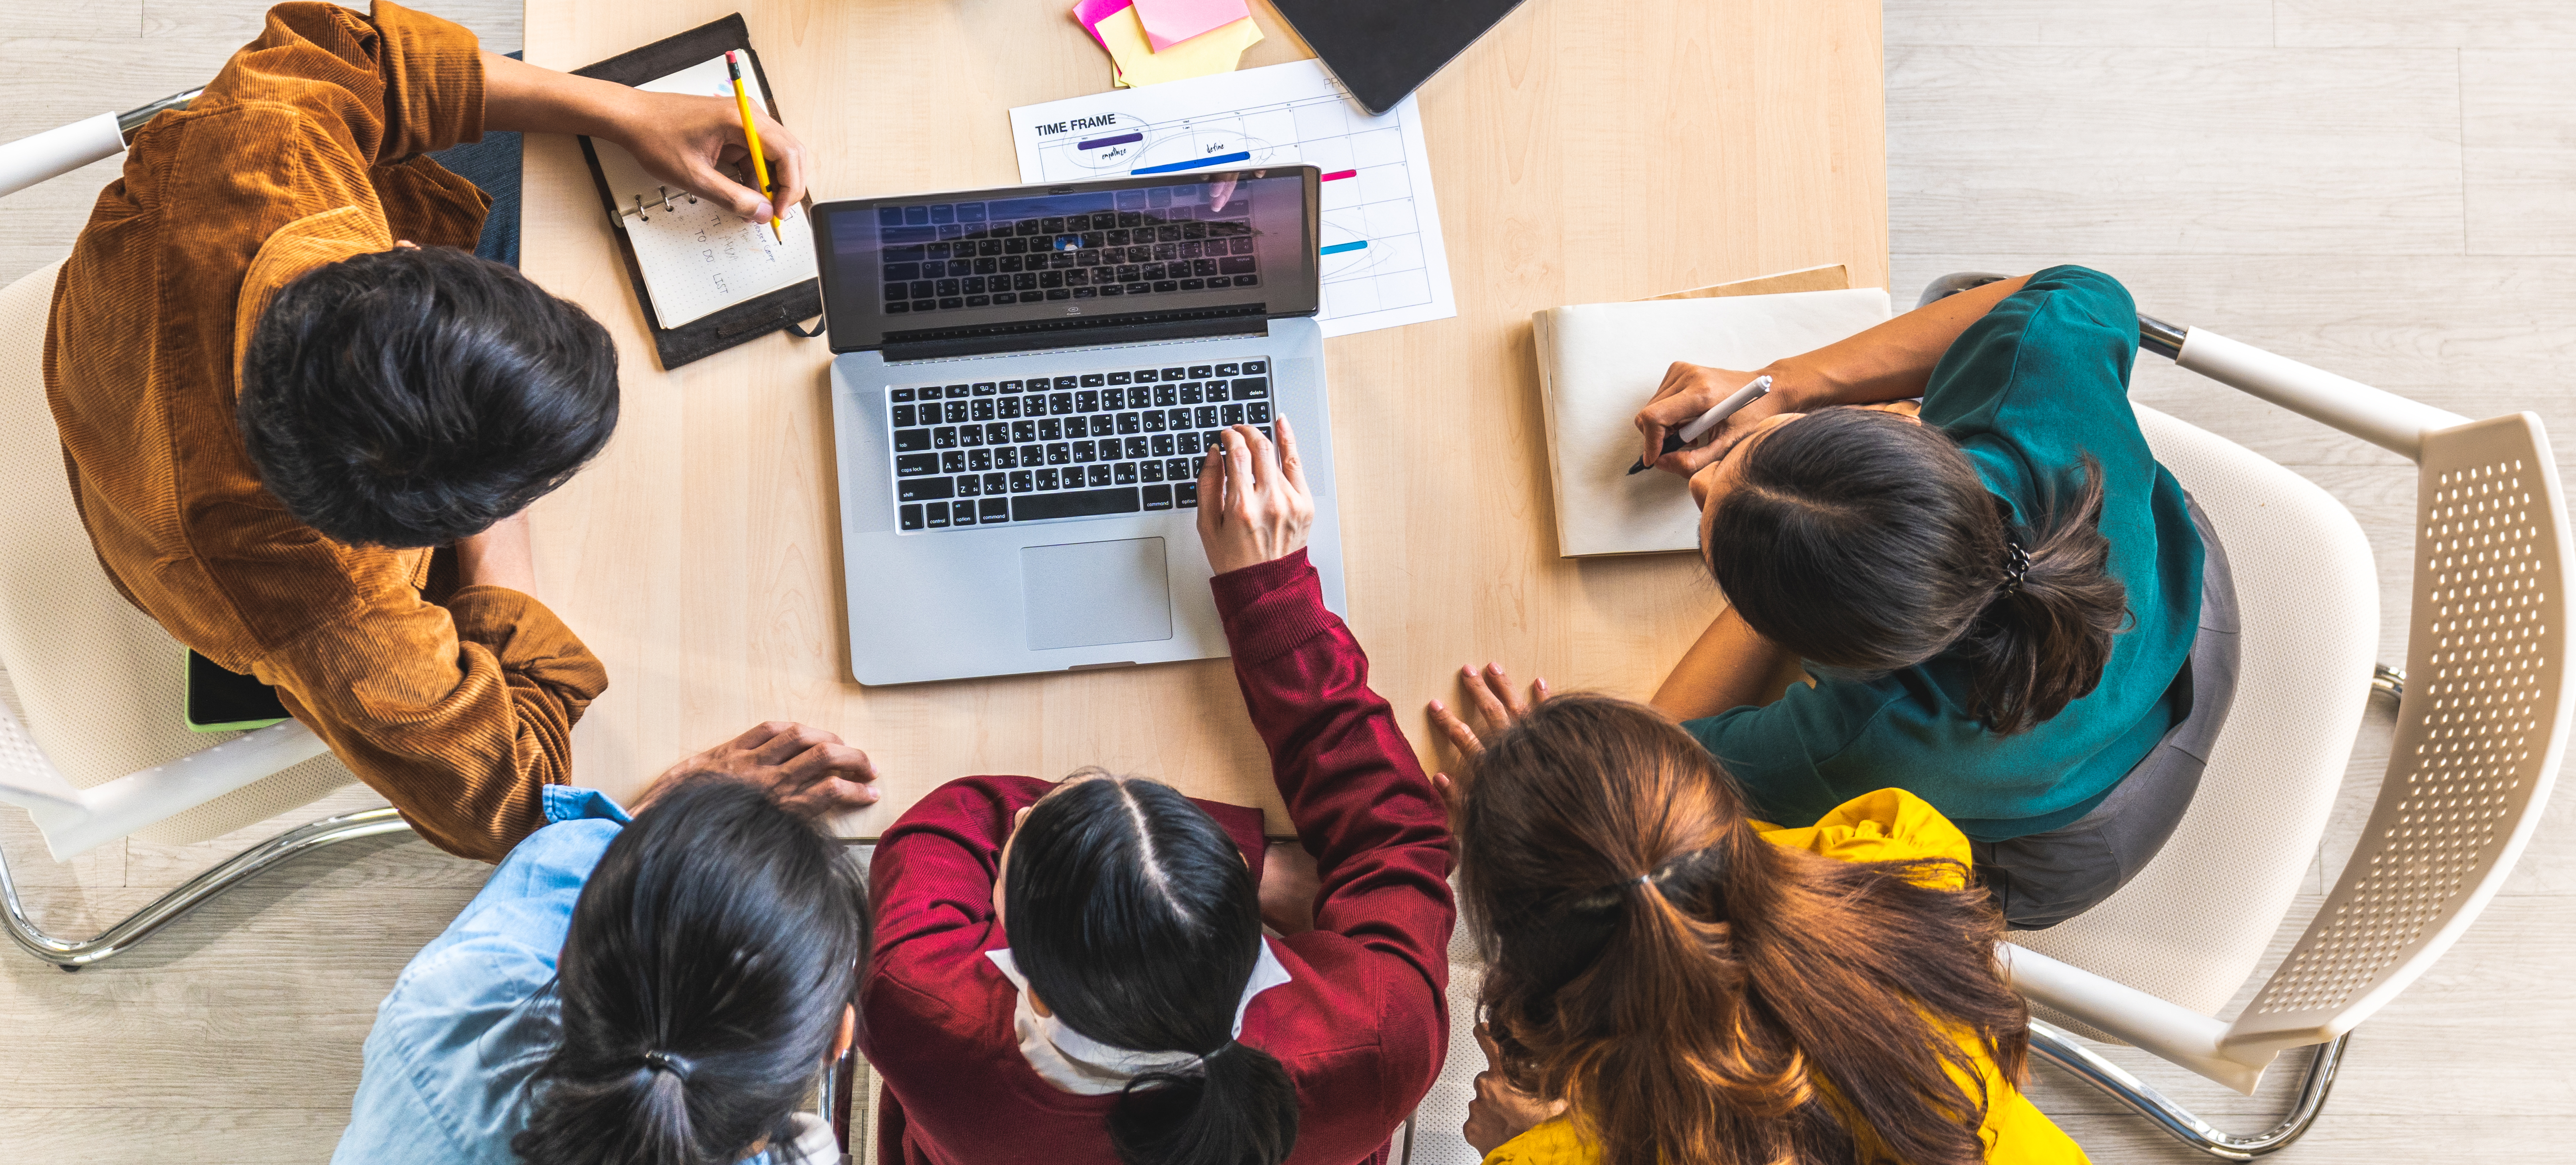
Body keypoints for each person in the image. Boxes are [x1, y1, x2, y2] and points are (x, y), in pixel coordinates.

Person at [44, 1, 840, 861]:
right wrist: (497, 538)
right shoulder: (335, 613)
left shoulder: (266, 142)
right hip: (160, 511)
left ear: (409, 254)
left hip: (127, 345)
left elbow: (376, 58)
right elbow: (513, 803)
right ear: (425, 536)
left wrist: (631, 110)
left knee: (560, 96)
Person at [862, 421, 1453, 1165]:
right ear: (1248, 931)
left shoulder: (921, 1011)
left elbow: (955, 820)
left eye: (1020, 845)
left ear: (1034, 987)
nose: (1017, 815)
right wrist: (1271, 596)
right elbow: (1397, 835)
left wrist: (1251, 857)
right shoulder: (1376, 1040)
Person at [1628, 265, 2211, 926]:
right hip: (2180, 614)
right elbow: (2086, 290)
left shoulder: (1862, 740)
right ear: (1899, 437)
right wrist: (1785, 387)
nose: (1702, 483)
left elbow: (1656, 773)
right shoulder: (2036, 382)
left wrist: (1783, 590)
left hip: (2076, 840)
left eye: (1705, 508)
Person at [1431, 683, 2087, 1165]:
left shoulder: (1558, 1152)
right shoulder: (1906, 859)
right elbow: (1708, 871)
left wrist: (1511, 1141)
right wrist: (1589, 813)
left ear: (1522, 945)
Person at [334, 724, 880, 1165]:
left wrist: (677, 808)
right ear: (840, 1037)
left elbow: (564, 855)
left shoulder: (454, 1005)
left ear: (563, 958)